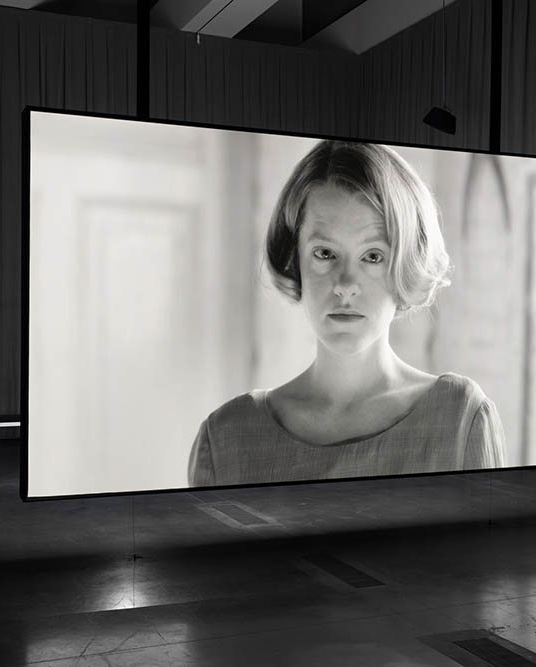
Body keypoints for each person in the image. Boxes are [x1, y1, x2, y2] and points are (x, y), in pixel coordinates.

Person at [188, 140, 505, 487]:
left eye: (372, 256)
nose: (345, 285)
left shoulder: (460, 420)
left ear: (404, 265)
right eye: (325, 253)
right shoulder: (226, 440)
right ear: (294, 259)